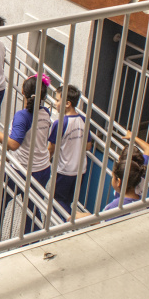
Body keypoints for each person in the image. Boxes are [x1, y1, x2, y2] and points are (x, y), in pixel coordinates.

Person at [0, 74, 53, 236]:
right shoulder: (45, 113)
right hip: (43, 168)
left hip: (23, 169)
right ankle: (32, 238)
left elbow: (13, 144)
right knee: (31, 205)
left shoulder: (23, 116)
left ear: (23, 93)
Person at [48, 85, 91, 214]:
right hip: (80, 170)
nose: (55, 103)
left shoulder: (60, 123)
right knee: (67, 201)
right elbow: (88, 146)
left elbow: (51, 149)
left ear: (67, 103)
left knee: (57, 202)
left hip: (64, 171)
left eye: (57, 100)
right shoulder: (83, 120)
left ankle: (69, 222)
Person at [103, 145, 147, 217]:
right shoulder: (143, 203)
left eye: (113, 177)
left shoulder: (115, 207)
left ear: (119, 182)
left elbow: (103, 224)